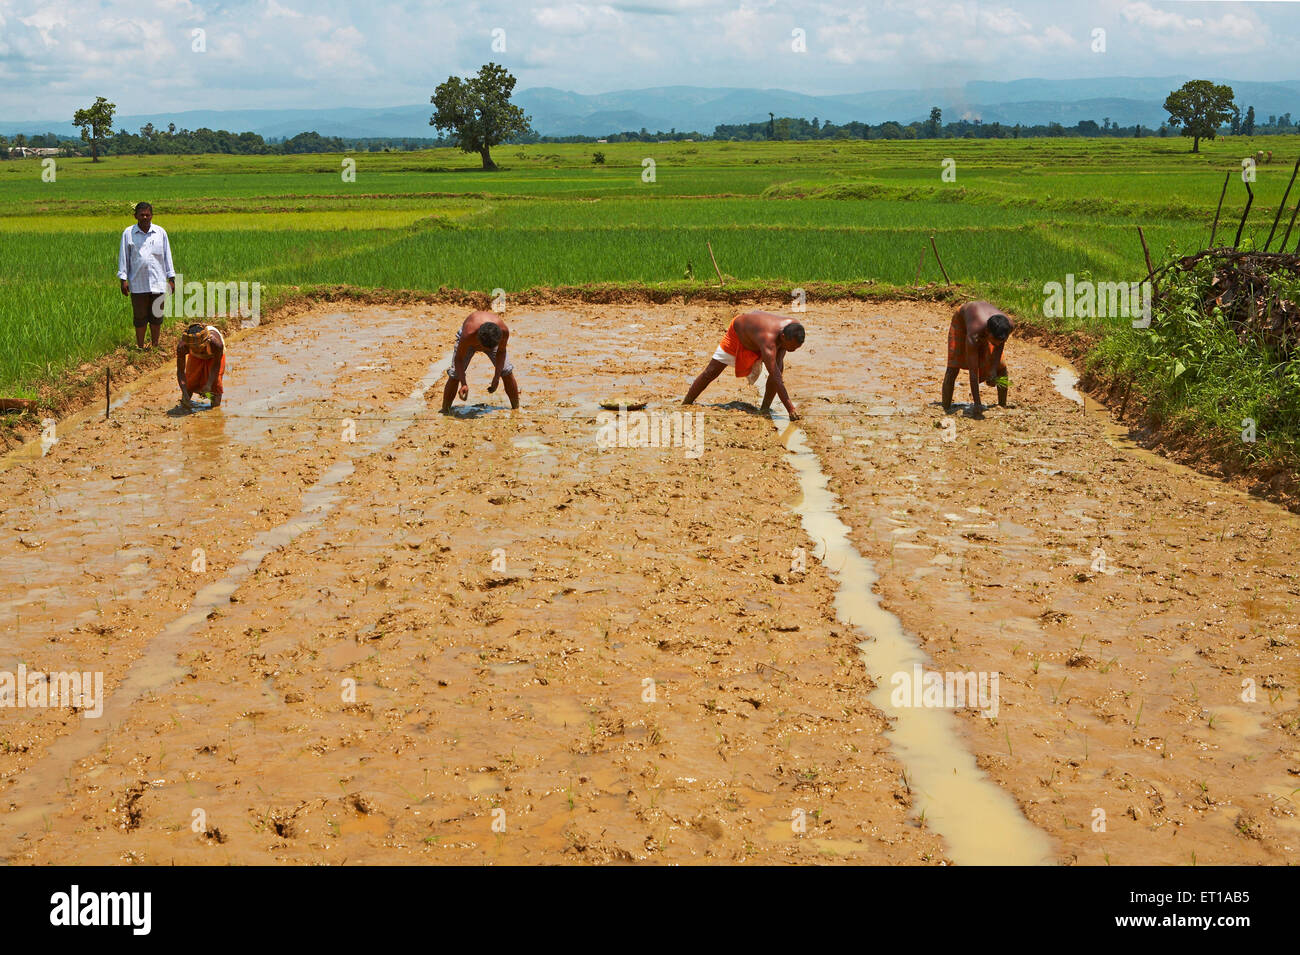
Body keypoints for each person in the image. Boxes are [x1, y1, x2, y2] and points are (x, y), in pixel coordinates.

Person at [683, 311, 804, 420]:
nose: (793, 350)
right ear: (783, 337)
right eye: (792, 346)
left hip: (759, 340)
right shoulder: (768, 339)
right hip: (739, 335)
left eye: (796, 347)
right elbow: (776, 377)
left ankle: (764, 409)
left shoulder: (794, 328)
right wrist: (791, 409)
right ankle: (686, 403)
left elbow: (776, 374)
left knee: (778, 368)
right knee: (711, 371)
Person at [117, 201, 176, 350]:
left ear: (152, 216)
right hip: (138, 283)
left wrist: (172, 278)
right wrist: (123, 280)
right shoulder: (128, 233)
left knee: (157, 316)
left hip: (158, 282)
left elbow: (167, 255)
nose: (145, 217)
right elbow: (124, 257)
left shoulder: (160, 232)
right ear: (135, 216)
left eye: (147, 215)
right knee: (140, 316)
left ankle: (155, 345)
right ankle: (140, 346)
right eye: (141, 215)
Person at [942, 301, 1013, 416]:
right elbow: (973, 370)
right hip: (962, 320)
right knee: (953, 365)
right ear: (987, 333)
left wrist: (993, 369)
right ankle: (946, 407)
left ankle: (1002, 404)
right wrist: (977, 403)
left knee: (1001, 366)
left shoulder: (1008, 325)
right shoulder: (973, 336)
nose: (998, 344)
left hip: (982, 319)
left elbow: (1000, 346)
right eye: (995, 341)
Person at [441, 311, 519, 413]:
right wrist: (463, 383)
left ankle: (516, 408)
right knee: (455, 375)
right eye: (482, 347)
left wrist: (496, 377)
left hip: (491, 340)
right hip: (469, 341)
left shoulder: (503, 332)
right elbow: (458, 359)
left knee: (506, 371)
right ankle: (445, 410)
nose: (481, 350)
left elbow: (501, 352)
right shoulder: (468, 334)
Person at [176, 323, 225, 409]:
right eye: (194, 348)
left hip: (213, 356)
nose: (197, 350)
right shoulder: (182, 347)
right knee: (190, 381)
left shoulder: (216, 344)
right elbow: (180, 371)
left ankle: (215, 409)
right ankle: (186, 402)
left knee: (215, 385)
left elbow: (216, 366)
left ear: (206, 341)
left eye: (199, 347)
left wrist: (209, 384)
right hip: (195, 357)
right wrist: (184, 392)